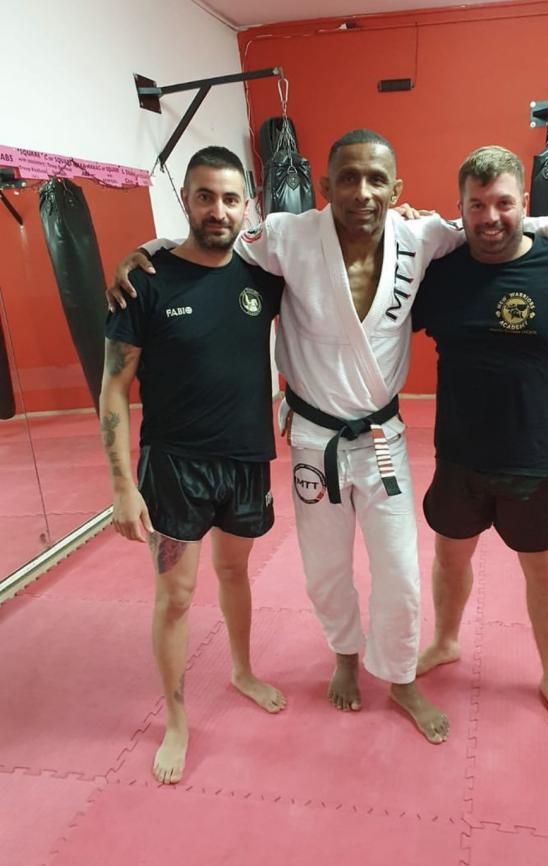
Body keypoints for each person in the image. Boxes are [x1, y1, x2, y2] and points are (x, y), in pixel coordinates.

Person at [110, 129, 548, 744]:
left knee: (400, 570)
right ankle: (345, 655)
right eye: (348, 178)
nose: (362, 192)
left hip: (381, 439)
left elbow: (492, 220)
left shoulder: (423, 236)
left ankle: (400, 677)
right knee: (324, 570)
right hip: (312, 440)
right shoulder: (287, 236)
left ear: (397, 189)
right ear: (324, 186)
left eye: (376, 180)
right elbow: (215, 236)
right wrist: (148, 249)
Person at [413, 145, 548, 736]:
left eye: (503, 202)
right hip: (458, 456)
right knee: (450, 557)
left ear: (524, 203)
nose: (490, 217)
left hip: (537, 459)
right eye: (477, 205)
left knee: (545, 571)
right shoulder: (441, 273)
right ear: (460, 209)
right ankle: (446, 640)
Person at [99, 146, 286, 786]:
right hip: (174, 466)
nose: (218, 210)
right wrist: (122, 486)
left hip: (247, 461)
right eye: (205, 196)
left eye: (230, 198)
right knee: (175, 596)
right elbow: (113, 390)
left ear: (246, 205)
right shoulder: (144, 282)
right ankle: (176, 719)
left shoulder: (261, 279)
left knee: (235, 573)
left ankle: (242, 671)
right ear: (186, 199)